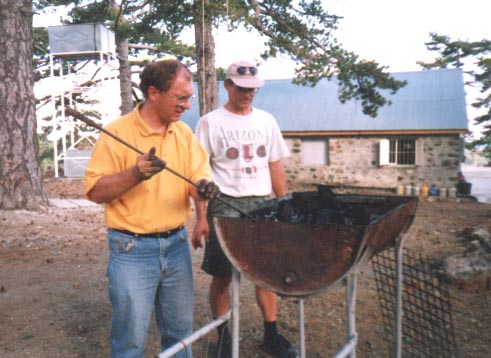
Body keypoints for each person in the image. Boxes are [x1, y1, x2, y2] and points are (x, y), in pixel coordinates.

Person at [84, 59, 219, 358]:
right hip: (131, 250)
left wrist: (203, 200)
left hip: (176, 246)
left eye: (189, 98)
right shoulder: (116, 133)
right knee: (130, 340)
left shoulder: (183, 133)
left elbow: (198, 177)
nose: (186, 106)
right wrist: (136, 173)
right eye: (181, 98)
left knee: (180, 334)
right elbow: (95, 191)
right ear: (154, 93)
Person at [192, 61, 297, 358]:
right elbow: (198, 173)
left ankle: (271, 335)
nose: (248, 94)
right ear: (227, 85)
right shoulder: (210, 123)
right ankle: (224, 337)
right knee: (223, 276)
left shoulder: (266, 121)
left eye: (253, 89)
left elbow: (275, 163)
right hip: (225, 205)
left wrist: (284, 203)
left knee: (265, 274)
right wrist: (200, 218)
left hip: (262, 204)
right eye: (241, 88)